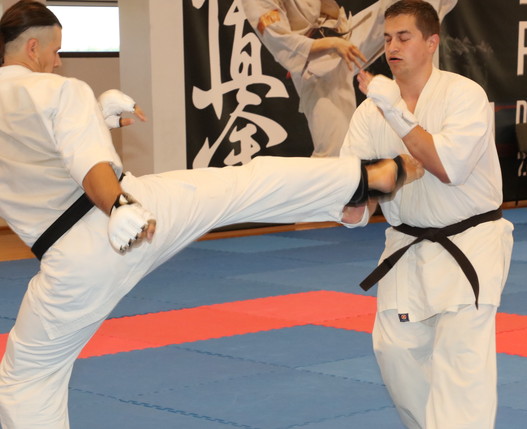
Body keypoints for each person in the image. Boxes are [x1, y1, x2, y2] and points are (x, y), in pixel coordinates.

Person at [0, 1, 424, 428]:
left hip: (67, 266)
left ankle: (356, 186)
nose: (58, 61)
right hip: (123, 216)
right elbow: (89, 166)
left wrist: (95, 119)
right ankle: (362, 180)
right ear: (33, 48)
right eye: (55, 50)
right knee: (242, 186)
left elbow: (29, 152)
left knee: (25, 379)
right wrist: (119, 205)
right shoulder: (60, 90)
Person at [339, 1, 513, 428]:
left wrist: (396, 114)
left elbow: (447, 168)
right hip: (406, 244)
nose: (392, 47)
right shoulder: (368, 112)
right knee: (395, 353)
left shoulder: (464, 95)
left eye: (404, 37)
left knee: (461, 366)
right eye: (386, 38)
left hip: (471, 244)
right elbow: (357, 196)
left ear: (432, 42)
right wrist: (352, 198)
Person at [241, 0, 457, 158]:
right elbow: (280, 40)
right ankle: (317, 206)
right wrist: (332, 44)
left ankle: (424, 97)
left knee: (409, 6)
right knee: (336, 155)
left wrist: (337, 41)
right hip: (317, 63)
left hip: (344, 34)